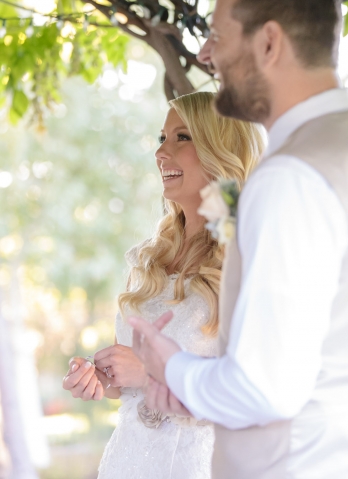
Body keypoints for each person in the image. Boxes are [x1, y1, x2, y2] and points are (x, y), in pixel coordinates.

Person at [127, 0, 348, 478]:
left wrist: (170, 367)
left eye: (218, 35)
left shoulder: (289, 177)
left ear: (268, 43)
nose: (205, 53)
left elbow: (265, 389)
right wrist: (198, 395)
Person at [61, 92, 262, 479]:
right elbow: (133, 382)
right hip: (127, 462)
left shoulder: (250, 254)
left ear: (221, 149)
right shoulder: (148, 257)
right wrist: (104, 378)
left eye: (182, 137)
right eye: (161, 138)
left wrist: (152, 373)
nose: (161, 153)